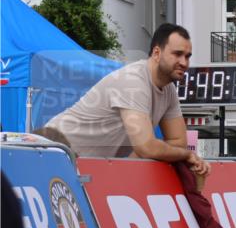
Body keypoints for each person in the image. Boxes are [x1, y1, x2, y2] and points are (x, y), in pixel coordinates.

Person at [45, 23, 210, 181]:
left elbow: (178, 143)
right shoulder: (133, 81)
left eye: (187, 56)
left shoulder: (169, 90)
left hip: (83, 165)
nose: (184, 62)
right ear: (157, 53)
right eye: (177, 54)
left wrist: (136, 159)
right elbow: (148, 148)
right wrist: (186, 155)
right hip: (54, 152)